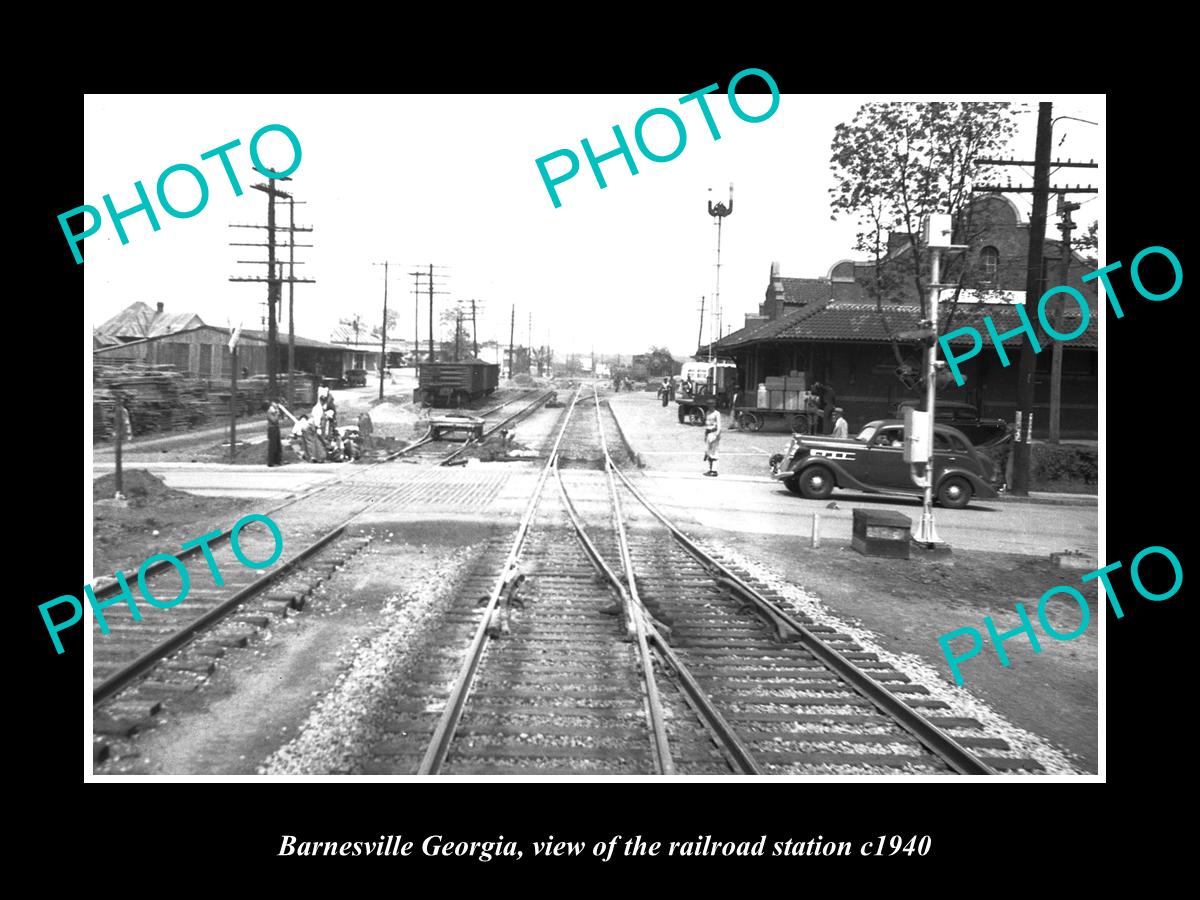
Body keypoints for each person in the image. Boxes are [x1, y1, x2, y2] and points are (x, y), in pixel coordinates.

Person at [703, 406, 722, 476]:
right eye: (709, 405)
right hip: (708, 433)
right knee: (708, 452)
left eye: (712, 405)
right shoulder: (707, 413)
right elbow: (707, 425)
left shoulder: (717, 413)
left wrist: (717, 435)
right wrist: (705, 436)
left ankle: (714, 470)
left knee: (714, 452)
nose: (710, 406)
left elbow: (719, 426)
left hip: (714, 433)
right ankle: (711, 469)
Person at [266, 401, 284, 466]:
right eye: (274, 403)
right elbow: (274, 420)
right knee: (272, 446)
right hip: (272, 429)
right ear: (271, 404)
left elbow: (280, 418)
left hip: (276, 428)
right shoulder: (269, 412)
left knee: (278, 445)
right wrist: (277, 414)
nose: (276, 404)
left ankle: (278, 461)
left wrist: (279, 413)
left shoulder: (276, 411)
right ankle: (271, 462)